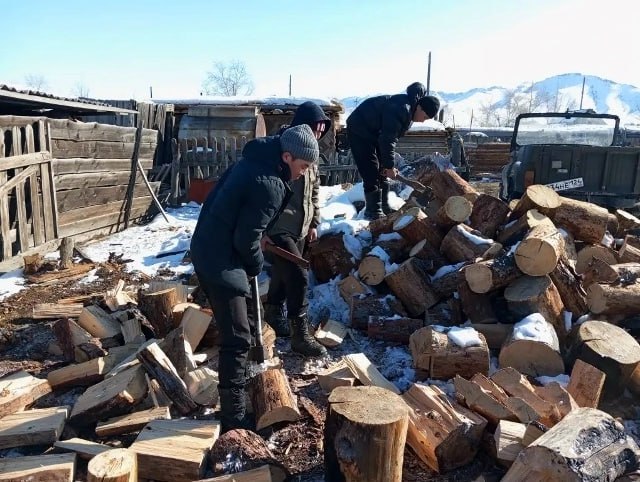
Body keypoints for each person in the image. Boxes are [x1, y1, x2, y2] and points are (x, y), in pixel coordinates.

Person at [190, 124, 320, 432]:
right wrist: (255, 264)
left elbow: (241, 217)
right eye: (303, 166)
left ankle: (246, 382)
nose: (303, 173)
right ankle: (233, 416)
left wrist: (258, 236)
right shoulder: (270, 184)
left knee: (243, 324)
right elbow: (245, 240)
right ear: (287, 157)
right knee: (236, 338)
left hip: (210, 247)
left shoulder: (255, 161)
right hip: (220, 259)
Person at [262, 101, 331, 358]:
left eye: (322, 130)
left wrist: (314, 222)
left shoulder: (311, 152)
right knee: (298, 275)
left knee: (284, 273)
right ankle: (300, 336)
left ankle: (273, 313)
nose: (319, 134)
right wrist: (262, 229)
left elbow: (314, 190)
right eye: (316, 128)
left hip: (301, 225)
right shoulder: (284, 149)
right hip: (279, 226)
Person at [346, 82, 440, 219]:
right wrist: (390, 166)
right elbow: (388, 140)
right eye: (425, 117)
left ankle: (384, 207)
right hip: (359, 129)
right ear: (420, 107)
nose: (422, 121)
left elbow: (388, 139)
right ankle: (373, 211)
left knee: (382, 170)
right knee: (371, 170)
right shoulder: (401, 109)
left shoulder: (409, 111)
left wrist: (387, 166)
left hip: (375, 133)